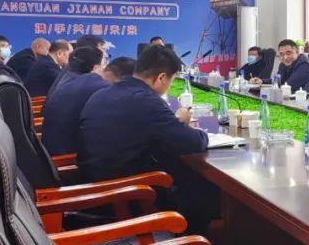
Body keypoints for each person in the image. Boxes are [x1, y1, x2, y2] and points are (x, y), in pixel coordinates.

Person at [77, 45, 215, 232]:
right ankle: (188, 243)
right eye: (171, 81)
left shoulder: (102, 93)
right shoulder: (147, 101)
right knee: (204, 190)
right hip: (125, 197)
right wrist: (199, 132)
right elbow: (194, 142)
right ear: (161, 78)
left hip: (94, 187)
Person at [39, 46, 109, 156]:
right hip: (65, 157)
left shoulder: (68, 76)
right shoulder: (91, 85)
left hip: (50, 150)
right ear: (95, 68)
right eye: (104, 63)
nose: (106, 67)